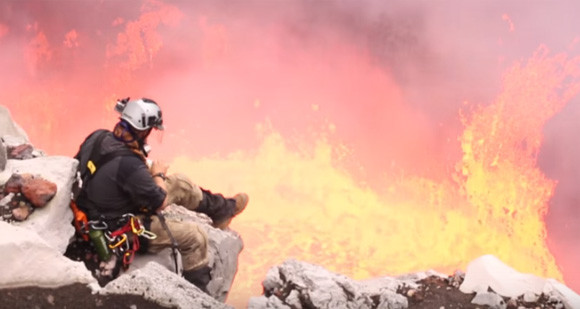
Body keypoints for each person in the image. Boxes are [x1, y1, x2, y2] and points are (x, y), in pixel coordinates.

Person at [72, 97, 248, 293]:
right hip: (119, 229)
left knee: (180, 183)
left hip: (96, 208)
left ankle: (223, 210)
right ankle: (197, 296)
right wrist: (158, 174)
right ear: (142, 130)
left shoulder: (99, 137)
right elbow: (160, 202)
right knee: (195, 236)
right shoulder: (129, 164)